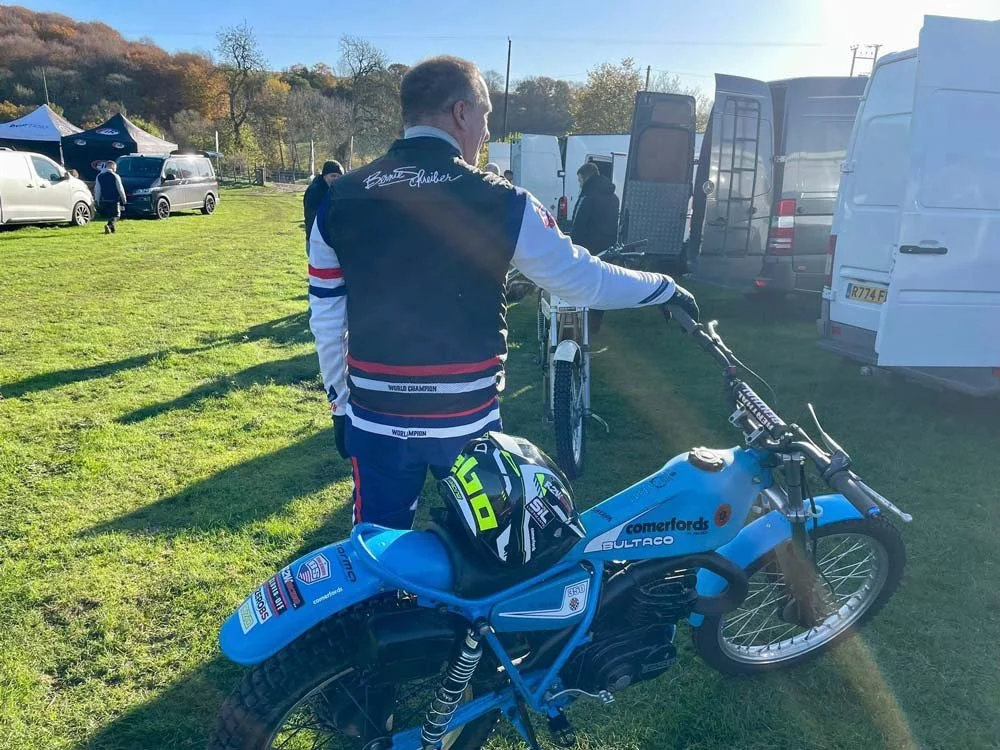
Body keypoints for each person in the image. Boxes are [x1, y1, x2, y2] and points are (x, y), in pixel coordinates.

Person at [308, 55, 699, 530]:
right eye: (486, 115)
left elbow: (326, 316)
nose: (487, 132)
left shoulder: (340, 196)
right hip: (465, 422)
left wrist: (339, 408)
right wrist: (663, 287)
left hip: (376, 416)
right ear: (461, 113)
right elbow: (582, 279)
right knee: (486, 559)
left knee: (374, 556)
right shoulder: (501, 200)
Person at [570, 161, 621, 334]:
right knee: (601, 289)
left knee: (582, 289)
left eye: (579, 180)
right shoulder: (613, 198)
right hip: (607, 251)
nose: (580, 184)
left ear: (585, 177)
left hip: (587, 252)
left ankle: (579, 326)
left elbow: (577, 227)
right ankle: (594, 327)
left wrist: (573, 251)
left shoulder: (587, 198)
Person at [303, 160, 344, 241]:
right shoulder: (315, 191)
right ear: (325, 176)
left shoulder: (334, 190)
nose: (336, 179)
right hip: (316, 238)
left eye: (339, 176)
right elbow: (314, 216)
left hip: (328, 238)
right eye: (333, 176)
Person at [93, 160, 126, 234]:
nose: (115, 170)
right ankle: (109, 225)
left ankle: (112, 230)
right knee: (116, 215)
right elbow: (120, 189)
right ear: (113, 167)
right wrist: (124, 199)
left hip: (104, 199)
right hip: (114, 198)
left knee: (110, 215)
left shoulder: (99, 176)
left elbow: (97, 190)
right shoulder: (115, 176)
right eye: (115, 168)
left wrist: (97, 200)